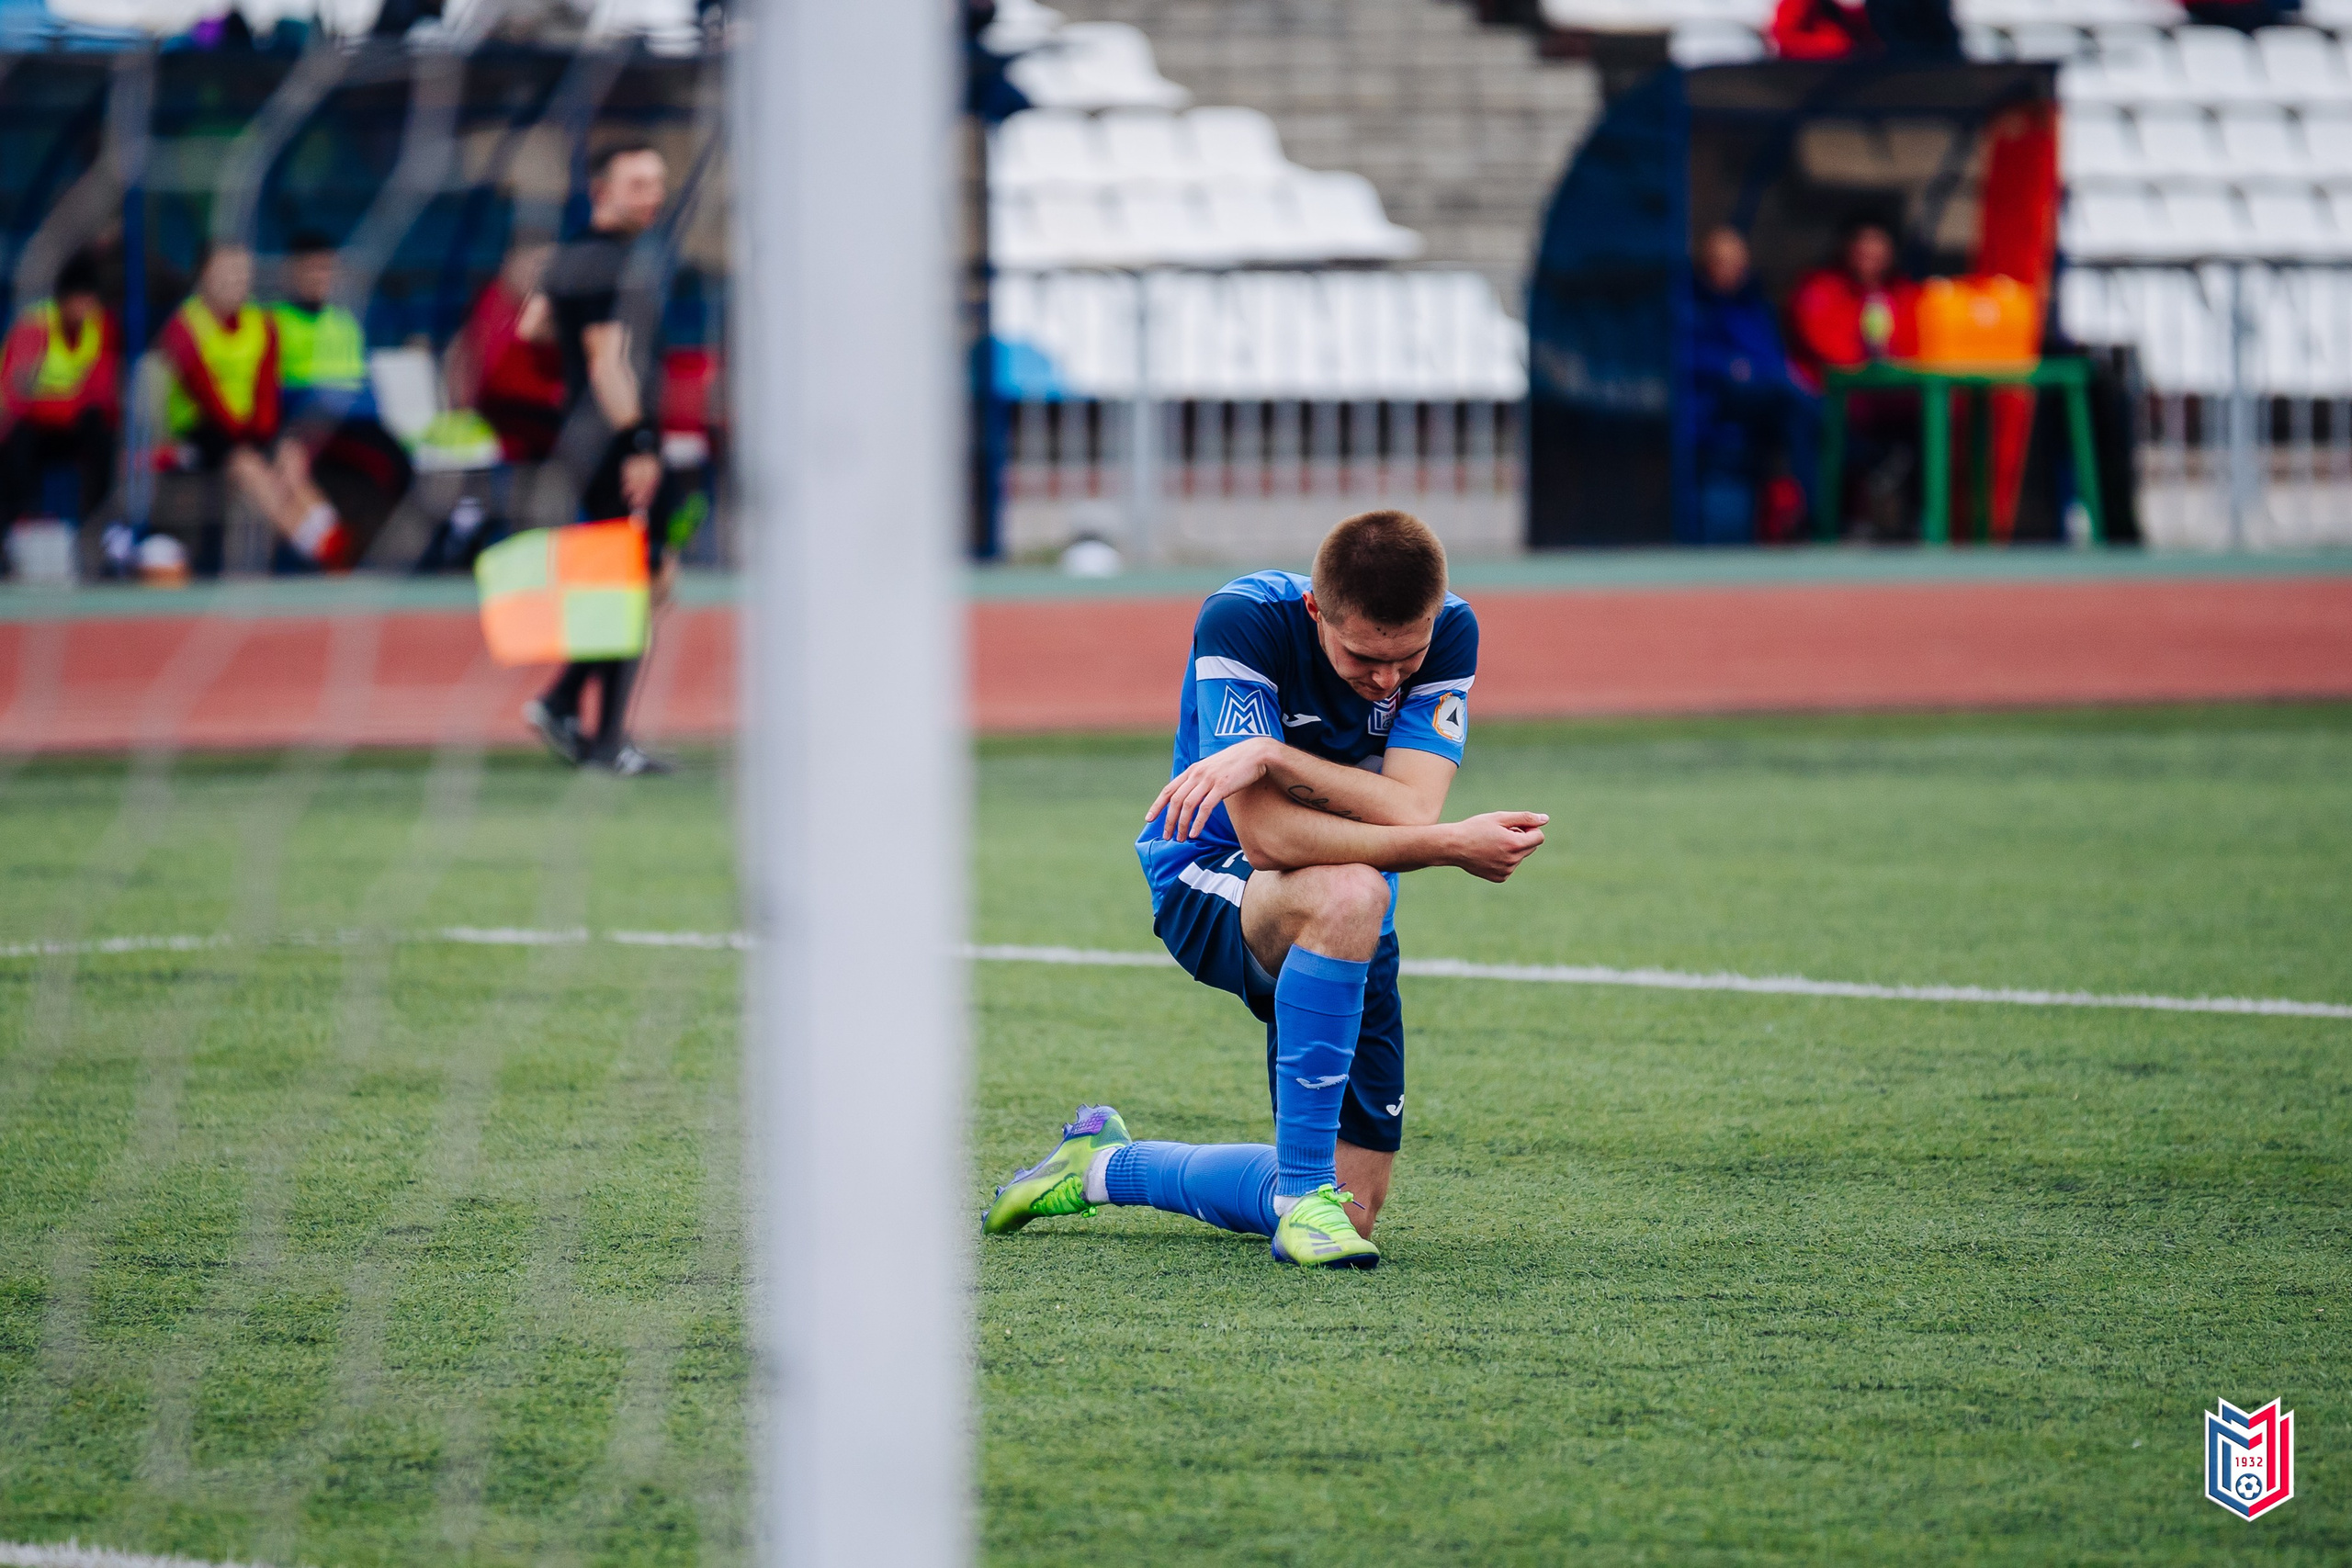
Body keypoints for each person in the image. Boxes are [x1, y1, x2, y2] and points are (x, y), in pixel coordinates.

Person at [980, 511, 1550, 1269]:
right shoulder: (1243, 621)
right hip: (1207, 873)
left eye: (1406, 658)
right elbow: (1268, 840)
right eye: (1363, 656)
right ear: (1316, 610)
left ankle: (1099, 1166)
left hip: (1349, 914)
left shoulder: (1450, 629)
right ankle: (1303, 1193)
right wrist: (1448, 846)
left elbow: (1414, 805)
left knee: (1356, 1208)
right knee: (1352, 892)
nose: (1388, 679)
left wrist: (1273, 755)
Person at [521, 141, 677, 777]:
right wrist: (638, 442)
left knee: (645, 578)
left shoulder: (572, 257)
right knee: (632, 583)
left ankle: (565, 702)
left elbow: (533, 324)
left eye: (657, 182)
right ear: (602, 192)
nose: (652, 195)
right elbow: (605, 362)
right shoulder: (606, 261)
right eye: (637, 184)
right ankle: (606, 739)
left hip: (590, 439)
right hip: (615, 443)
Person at [157, 242, 355, 570]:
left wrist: (268, 437)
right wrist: (251, 439)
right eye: (226, 273)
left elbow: (266, 390)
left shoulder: (261, 322)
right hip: (202, 430)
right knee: (248, 466)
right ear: (204, 277)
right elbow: (206, 395)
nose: (236, 282)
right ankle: (318, 548)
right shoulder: (183, 326)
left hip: (250, 427)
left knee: (290, 457)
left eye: (242, 274)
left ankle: (332, 537)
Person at [268, 231, 413, 570]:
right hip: (308, 426)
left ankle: (382, 554)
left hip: (355, 424)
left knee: (401, 467)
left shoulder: (345, 323)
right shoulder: (275, 323)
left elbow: (365, 388)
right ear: (293, 273)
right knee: (378, 468)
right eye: (314, 269)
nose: (322, 278)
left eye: (328, 270)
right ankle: (338, 550)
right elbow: (274, 390)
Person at [1788, 218, 1922, 536]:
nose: (1869, 253)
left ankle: (1919, 522)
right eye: (1862, 244)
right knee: (1810, 421)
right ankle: (1830, 523)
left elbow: (1917, 348)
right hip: (1833, 402)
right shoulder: (1820, 288)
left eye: (1878, 244)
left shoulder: (1905, 293)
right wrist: (1868, 360)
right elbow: (1828, 347)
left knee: (1937, 419)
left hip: (1892, 404)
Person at [1690, 226, 1817, 544]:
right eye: (1721, 262)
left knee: (1795, 401)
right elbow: (1690, 359)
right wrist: (1730, 367)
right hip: (1715, 418)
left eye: (1737, 263)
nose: (1730, 270)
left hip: (1761, 421)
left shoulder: (1754, 307)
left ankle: (1815, 508)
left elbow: (1773, 360)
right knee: (1795, 398)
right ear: (1705, 264)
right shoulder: (1689, 306)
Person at [0, 253, 120, 534]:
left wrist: (55, 404)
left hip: (68, 425)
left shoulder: (101, 326)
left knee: (102, 433)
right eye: (78, 298)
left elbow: (101, 394)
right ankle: (17, 525)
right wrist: (63, 405)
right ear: (62, 299)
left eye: (89, 298)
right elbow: (14, 398)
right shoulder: (34, 329)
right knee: (16, 437)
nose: (84, 307)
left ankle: (100, 526)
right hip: (34, 429)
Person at [447, 240, 566, 464]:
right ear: (509, 264)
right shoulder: (491, 302)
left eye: (546, 267)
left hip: (542, 416)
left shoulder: (550, 307)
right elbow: (460, 357)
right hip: (505, 416)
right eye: (534, 265)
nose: (537, 274)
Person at [1770, 0, 1874, 60]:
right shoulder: (1797, 3)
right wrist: (1842, 47)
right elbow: (1784, 37)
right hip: (1805, 75)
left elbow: (1866, 30)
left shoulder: (1837, 9)